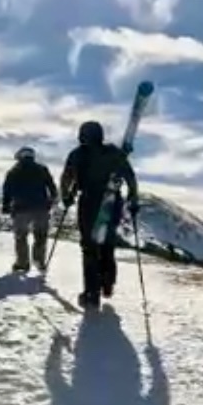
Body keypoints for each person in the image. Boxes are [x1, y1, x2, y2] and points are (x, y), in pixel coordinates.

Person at [60, 120, 140, 308]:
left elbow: (66, 178)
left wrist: (66, 197)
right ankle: (107, 283)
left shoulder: (77, 154)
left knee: (89, 247)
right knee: (107, 244)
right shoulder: (114, 153)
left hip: (89, 203)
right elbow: (130, 177)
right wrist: (133, 198)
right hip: (110, 203)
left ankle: (91, 293)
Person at [0, 145, 58, 273]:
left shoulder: (13, 171)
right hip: (41, 207)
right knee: (40, 235)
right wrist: (53, 199)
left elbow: (7, 191)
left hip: (21, 209)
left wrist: (6, 206)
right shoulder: (42, 169)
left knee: (21, 236)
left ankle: (22, 263)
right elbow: (52, 186)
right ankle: (39, 260)